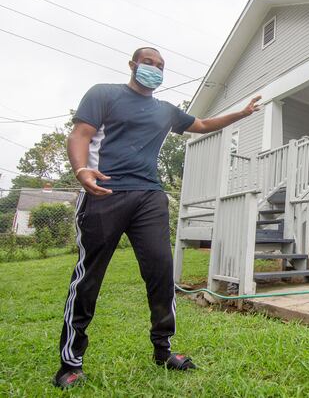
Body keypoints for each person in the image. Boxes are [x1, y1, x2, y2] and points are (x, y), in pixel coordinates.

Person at [54, 47, 261, 389]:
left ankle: (163, 349)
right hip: (104, 191)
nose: (154, 69)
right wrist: (81, 171)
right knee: (88, 277)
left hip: (150, 196)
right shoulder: (104, 94)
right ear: (133, 65)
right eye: (148, 62)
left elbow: (204, 124)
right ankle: (70, 362)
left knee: (162, 273)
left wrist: (241, 114)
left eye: (160, 66)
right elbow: (80, 134)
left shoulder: (165, 111)